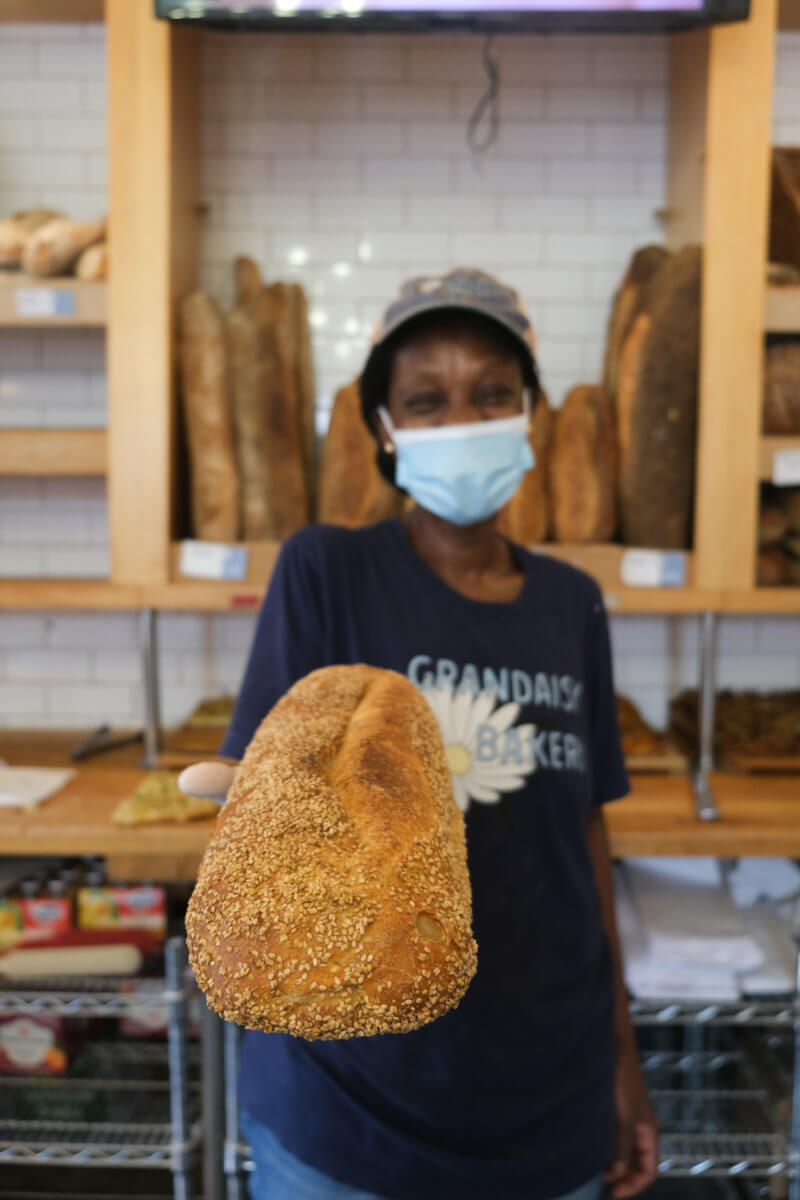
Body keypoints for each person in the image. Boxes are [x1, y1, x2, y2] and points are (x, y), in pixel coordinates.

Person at [181, 268, 659, 1200]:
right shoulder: (326, 569)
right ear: (387, 430)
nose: (461, 421)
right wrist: (251, 802)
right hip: (353, 1108)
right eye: (425, 401)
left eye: (490, 394)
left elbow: (587, 837)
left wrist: (621, 1056)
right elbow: (260, 815)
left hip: (548, 1095)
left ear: (530, 410)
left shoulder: (573, 601)